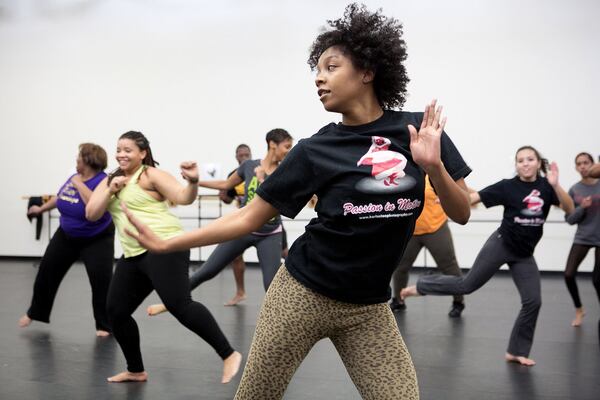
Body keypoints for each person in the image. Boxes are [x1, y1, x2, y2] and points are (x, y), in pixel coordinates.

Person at [121, 4, 471, 399]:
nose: (319, 78)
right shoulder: (314, 150)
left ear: (368, 72)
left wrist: (434, 166)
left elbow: (459, 213)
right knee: (257, 395)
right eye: (316, 70)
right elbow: (248, 218)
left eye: (331, 67)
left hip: (368, 307)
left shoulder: (417, 133)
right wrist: (172, 242)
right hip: (302, 294)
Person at [85, 131, 241, 383]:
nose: (122, 154)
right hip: (134, 253)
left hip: (165, 245)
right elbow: (91, 214)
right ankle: (136, 370)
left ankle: (229, 354)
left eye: (128, 150)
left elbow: (183, 198)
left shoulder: (150, 175)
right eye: (119, 149)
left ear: (142, 153)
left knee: (180, 305)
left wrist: (192, 182)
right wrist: (110, 190)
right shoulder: (110, 180)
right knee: (116, 311)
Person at [402, 146, 575, 366]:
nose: (525, 163)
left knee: (533, 302)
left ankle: (516, 351)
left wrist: (556, 185)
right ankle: (424, 285)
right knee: (467, 285)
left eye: (530, 159)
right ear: (516, 165)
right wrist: (447, 197)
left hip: (524, 253)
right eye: (520, 160)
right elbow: (474, 197)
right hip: (501, 244)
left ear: (538, 162)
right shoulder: (508, 186)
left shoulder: (546, 187)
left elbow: (570, 208)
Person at [147, 129, 293, 316]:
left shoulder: (285, 170)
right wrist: (197, 182)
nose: (289, 151)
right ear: (272, 144)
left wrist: (262, 178)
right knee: (207, 271)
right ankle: (170, 302)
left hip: (270, 234)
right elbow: (226, 185)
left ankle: (282, 324)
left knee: (270, 285)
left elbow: (279, 198)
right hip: (244, 229)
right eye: (286, 146)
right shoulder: (249, 166)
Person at [19, 143, 114, 337]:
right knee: (47, 272)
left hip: (96, 238)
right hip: (67, 235)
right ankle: (35, 312)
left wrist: (79, 183)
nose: (76, 160)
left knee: (101, 282)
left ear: (87, 161)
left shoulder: (102, 181)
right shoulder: (73, 176)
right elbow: (61, 197)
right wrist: (41, 209)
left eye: (79, 157)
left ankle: (104, 325)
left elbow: (93, 205)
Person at [390, 176, 465, 317]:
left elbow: (461, 191)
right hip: (411, 230)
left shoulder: (434, 172)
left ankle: (458, 302)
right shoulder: (402, 173)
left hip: (435, 227)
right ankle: (398, 300)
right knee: (400, 267)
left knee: (449, 266)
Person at [563, 152, 600, 327]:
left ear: (594, 165)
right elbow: (569, 219)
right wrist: (582, 208)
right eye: (579, 164)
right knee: (569, 274)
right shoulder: (575, 190)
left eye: (586, 163)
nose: (583, 166)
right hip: (584, 236)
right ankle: (579, 309)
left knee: (598, 280)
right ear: (576, 168)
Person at [217, 143, 252, 306]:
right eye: (241, 155)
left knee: (285, 253)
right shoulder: (234, 175)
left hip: (266, 222)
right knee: (236, 256)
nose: (244, 157)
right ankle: (240, 292)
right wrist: (224, 196)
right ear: (236, 157)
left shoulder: (259, 169)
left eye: (247, 154)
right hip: (243, 220)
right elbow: (229, 198)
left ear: (251, 155)